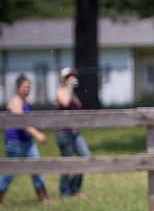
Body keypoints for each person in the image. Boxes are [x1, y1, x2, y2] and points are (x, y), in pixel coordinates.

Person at [0, 74, 49, 203]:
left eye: (28, 87)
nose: (27, 89)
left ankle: (43, 198)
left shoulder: (23, 102)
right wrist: (37, 134)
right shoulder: (15, 102)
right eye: (24, 87)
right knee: (9, 172)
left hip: (27, 142)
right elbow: (22, 123)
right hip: (15, 143)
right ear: (17, 87)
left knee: (36, 167)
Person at [55, 67, 91, 197]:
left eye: (73, 76)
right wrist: (69, 87)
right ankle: (64, 191)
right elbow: (64, 103)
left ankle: (74, 188)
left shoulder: (73, 95)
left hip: (75, 133)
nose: (73, 78)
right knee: (67, 162)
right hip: (63, 133)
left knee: (86, 157)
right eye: (69, 76)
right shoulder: (60, 92)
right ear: (63, 79)